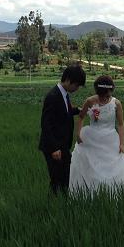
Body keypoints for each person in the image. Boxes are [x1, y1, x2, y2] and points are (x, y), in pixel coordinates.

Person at [69, 75, 124, 195]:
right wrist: (78, 134)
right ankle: (90, 192)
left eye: (108, 95)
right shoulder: (90, 101)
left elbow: (120, 124)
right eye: (103, 95)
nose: (105, 98)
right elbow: (81, 117)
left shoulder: (116, 103)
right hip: (91, 138)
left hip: (110, 138)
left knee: (111, 167)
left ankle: (110, 192)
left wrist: (121, 144)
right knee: (91, 167)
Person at [38, 65, 86, 195]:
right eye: (76, 85)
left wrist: (78, 110)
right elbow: (46, 124)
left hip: (62, 146)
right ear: (69, 80)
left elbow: (65, 111)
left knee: (64, 178)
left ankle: (59, 204)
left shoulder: (63, 94)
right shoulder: (53, 96)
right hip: (54, 147)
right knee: (58, 180)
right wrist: (54, 148)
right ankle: (53, 206)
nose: (76, 89)